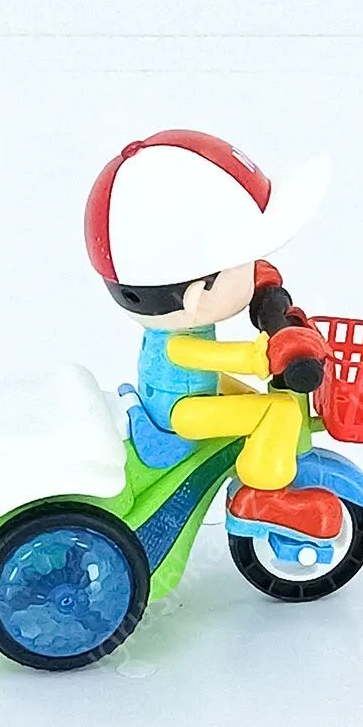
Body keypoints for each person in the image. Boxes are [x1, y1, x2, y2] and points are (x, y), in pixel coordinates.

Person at [84, 129, 342, 539]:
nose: (257, 269)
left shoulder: (179, 325)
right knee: (278, 411)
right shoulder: (180, 343)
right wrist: (264, 355)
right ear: (198, 297)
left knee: (258, 403)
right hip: (181, 412)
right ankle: (262, 499)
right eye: (244, 264)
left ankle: (260, 468)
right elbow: (225, 358)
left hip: (189, 392)